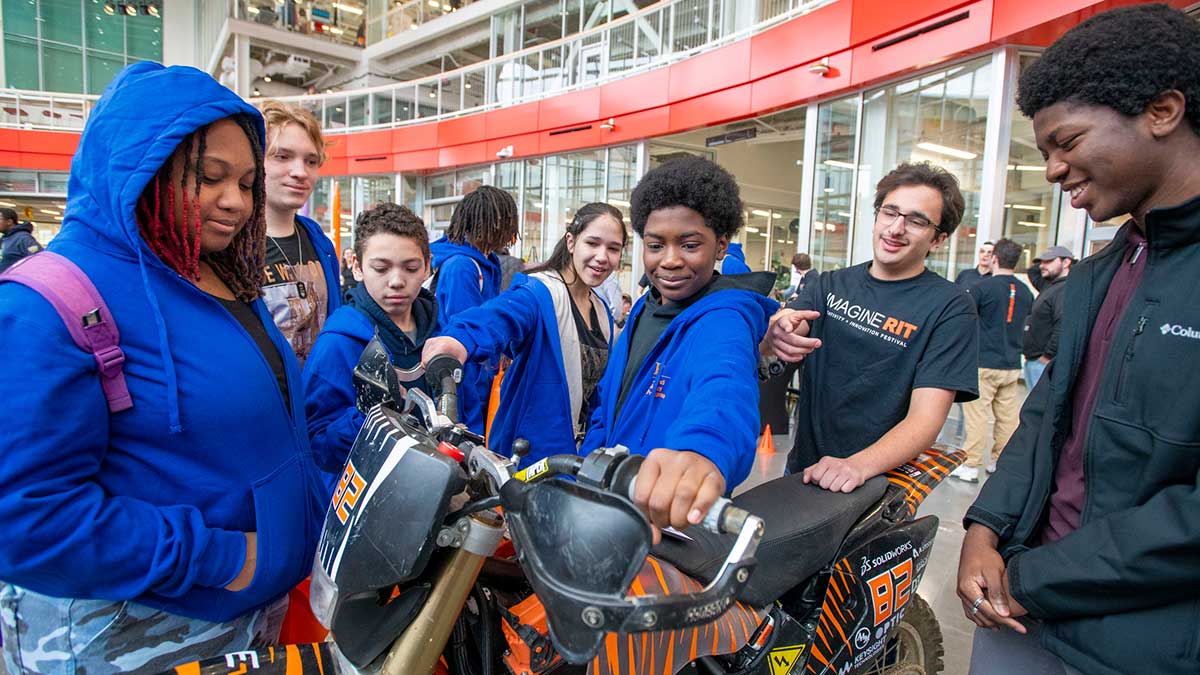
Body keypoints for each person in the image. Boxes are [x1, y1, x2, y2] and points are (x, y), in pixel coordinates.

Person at [0, 63, 324, 673]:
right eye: (209, 177)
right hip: (130, 634)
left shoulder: (218, 274)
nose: (236, 201)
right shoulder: (46, 304)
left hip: (246, 616)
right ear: (139, 170)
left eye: (247, 182)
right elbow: (25, 515)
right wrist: (220, 559)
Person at [957, 7, 1200, 674]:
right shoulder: (1099, 273)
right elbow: (1045, 420)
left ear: (1162, 111)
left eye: (1066, 141)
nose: (1054, 170)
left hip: (1136, 647)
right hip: (1017, 614)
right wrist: (983, 528)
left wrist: (1034, 577)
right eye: (1044, 153)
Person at [581, 156, 777, 534]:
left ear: (721, 245)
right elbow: (609, 398)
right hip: (614, 505)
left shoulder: (724, 318)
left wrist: (700, 452)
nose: (669, 261)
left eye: (689, 245)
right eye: (656, 245)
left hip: (674, 520)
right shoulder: (644, 308)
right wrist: (592, 464)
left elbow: (724, 389)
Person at [762, 162, 979, 493]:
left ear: (938, 239)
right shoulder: (829, 284)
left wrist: (857, 465)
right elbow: (789, 327)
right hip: (803, 471)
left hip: (875, 485)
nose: (895, 228)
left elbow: (925, 420)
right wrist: (777, 331)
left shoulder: (951, 307)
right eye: (889, 212)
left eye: (916, 221)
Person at [422, 203, 626, 465]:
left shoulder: (602, 312)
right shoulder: (540, 292)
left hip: (578, 460)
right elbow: (501, 315)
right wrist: (460, 339)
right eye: (592, 243)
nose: (602, 256)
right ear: (571, 242)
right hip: (531, 459)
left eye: (613, 248)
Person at [304, 203, 439, 476]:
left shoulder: (441, 334)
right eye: (381, 268)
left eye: (411, 268)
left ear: (427, 266)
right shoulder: (338, 343)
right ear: (356, 266)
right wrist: (369, 413)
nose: (397, 281)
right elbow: (317, 447)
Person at [429, 185, 520, 434]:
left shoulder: (486, 262)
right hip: (462, 385)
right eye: (506, 222)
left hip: (476, 382)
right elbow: (462, 337)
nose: (511, 231)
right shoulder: (462, 266)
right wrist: (470, 415)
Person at [260, 100, 341, 366]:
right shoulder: (232, 245)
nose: (300, 172)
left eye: (311, 161)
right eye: (282, 156)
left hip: (320, 385)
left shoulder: (319, 242)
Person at [951, 238, 1033, 483]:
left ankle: (970, 464)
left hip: (983, 363)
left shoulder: (981, 288)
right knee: (1007, 418)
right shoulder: (1025, 291)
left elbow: (963, 320)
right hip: (1011, 365)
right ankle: (998, 461)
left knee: (977, 416)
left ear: (995, 258)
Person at [1021, 245, 1073, 389]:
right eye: (1042, 262)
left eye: (1049, 261)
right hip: (1034, 360)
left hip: (1043, 362)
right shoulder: (1049, 285)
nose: (1042, 266)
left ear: (1066, 262)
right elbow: (1032, 271)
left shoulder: (1065, 289)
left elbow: (1062, 325)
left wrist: (1048, 356)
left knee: (1041, 403)